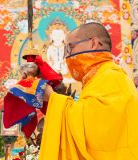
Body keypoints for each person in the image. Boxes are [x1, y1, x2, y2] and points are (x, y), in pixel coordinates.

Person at [39, 22, 138, 160]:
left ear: (93, 44)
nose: (68, 55)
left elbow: (94, 129)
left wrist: (52, 98)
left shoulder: (112, 77)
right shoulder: (96, 79)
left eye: (71, 48)